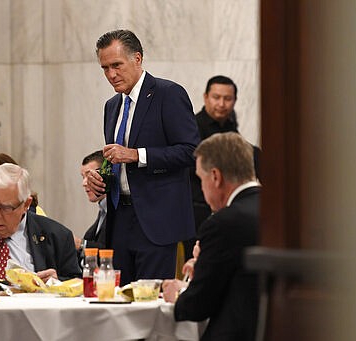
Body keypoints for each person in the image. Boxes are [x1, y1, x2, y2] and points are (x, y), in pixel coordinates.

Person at [86, 29, 200, 285]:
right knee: (116, 303)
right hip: (118, 221)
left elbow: (192, 150)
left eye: (116, 65)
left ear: (137, 58)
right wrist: (100, 179)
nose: (111, 75)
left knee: (149, 306)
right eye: (105, 68)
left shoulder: (168, 94)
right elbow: (117, 162)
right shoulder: (111, 106)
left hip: (156, 222)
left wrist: (138, 155)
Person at [162, 132, 260, 341]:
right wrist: (204, 265)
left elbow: (198, 306)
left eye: (200, 180)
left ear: (215, 177)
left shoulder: (223, 223)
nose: (202, 191)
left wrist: (178, 297)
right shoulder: (282, 212)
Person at [185, 75, 260, 260]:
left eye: (227, 99)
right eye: (216, 97)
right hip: (198, 209)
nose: (221, 104)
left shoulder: (231, 128)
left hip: (230, 209)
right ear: (205, 97)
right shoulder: (192, 126)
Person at [0, 163, 81, 282]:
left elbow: (76, 284)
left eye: (7, 208)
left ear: (26, 204)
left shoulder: (58, 236)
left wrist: (56, 282)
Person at [74, 150, 107, 260]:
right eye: (83, 177)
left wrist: (81, 244)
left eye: (89, 176)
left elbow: (114, 251)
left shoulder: (120, 212)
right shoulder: (102, 211)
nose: (84, 183)